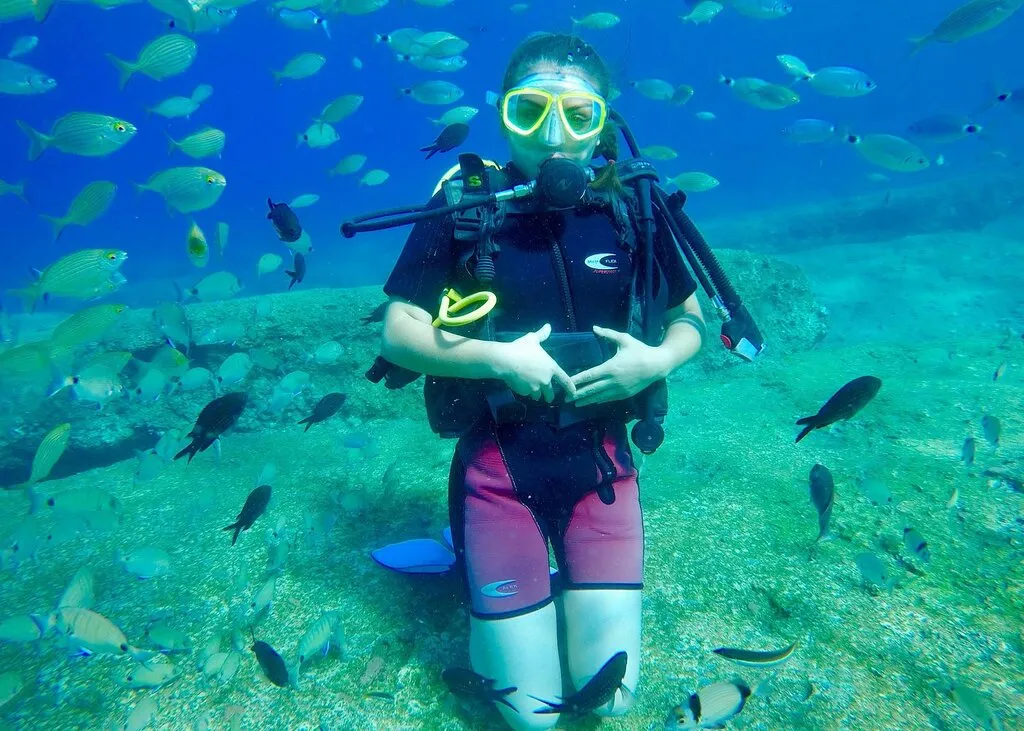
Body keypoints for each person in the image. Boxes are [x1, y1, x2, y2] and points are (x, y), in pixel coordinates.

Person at [379, 33, 706, 731]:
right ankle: (477, 557)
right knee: (529, 716)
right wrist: (498, 359)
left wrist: (656, 361)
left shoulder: (634, 205)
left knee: (610, 698)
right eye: (530, 112)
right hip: (499, 473)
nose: (554, 136)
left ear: (605, 120)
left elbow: (691, 320)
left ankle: (539, 586)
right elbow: (397, 330)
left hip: (604, 469)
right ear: (501, 114)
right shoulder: (468, 203)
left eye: (577, 115)